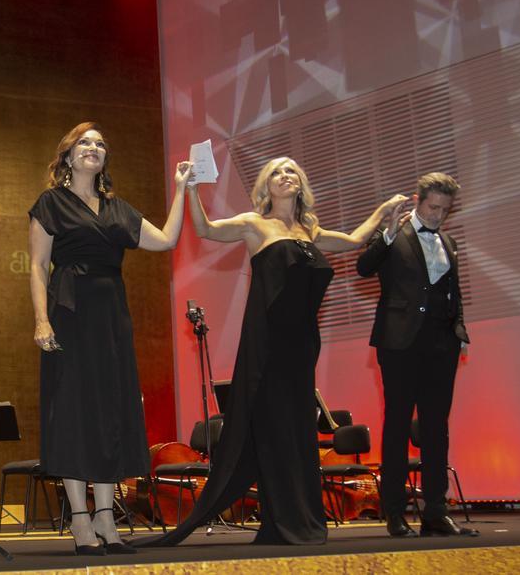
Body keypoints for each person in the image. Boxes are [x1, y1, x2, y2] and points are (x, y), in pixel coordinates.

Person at [147, 157, 408, 546]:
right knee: (271, 429)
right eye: (276, 173)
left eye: (291, 172)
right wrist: (189, 188)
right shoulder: (255, 224)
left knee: (298, 430)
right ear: (266, 187)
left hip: (302, 345)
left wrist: (383, 213)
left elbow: (354, 241)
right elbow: (204, 230)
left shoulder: (311, 229)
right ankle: (280, 520)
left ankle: (299, 518)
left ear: (300, 184)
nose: (285, 177)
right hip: (266, 341)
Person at [28, 122, 192, 555]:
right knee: (73, 413)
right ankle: (80, 518)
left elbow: (168, 240)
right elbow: (37, 266)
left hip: (112, 319)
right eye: (84, 142)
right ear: (67, 155)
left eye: (100, 143)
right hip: (69, 313)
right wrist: (42, 321)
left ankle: (105, 516)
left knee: (110, 412)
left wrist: (181, 190)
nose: (93, 148)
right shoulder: (51, 203)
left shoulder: (118, 209)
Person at [357, 172, 477, 538]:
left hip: (442, 345)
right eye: (432, 206)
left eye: (444, 209)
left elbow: (451, 291)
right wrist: (388, 232)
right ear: (417, 199)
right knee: (396, 426)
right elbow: (364, 267)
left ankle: (435, 512)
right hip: (399, 344)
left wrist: (459, 327)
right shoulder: (393, 235)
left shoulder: (450, 242)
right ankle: (394, 511)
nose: (438, 214)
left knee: (436, 429)